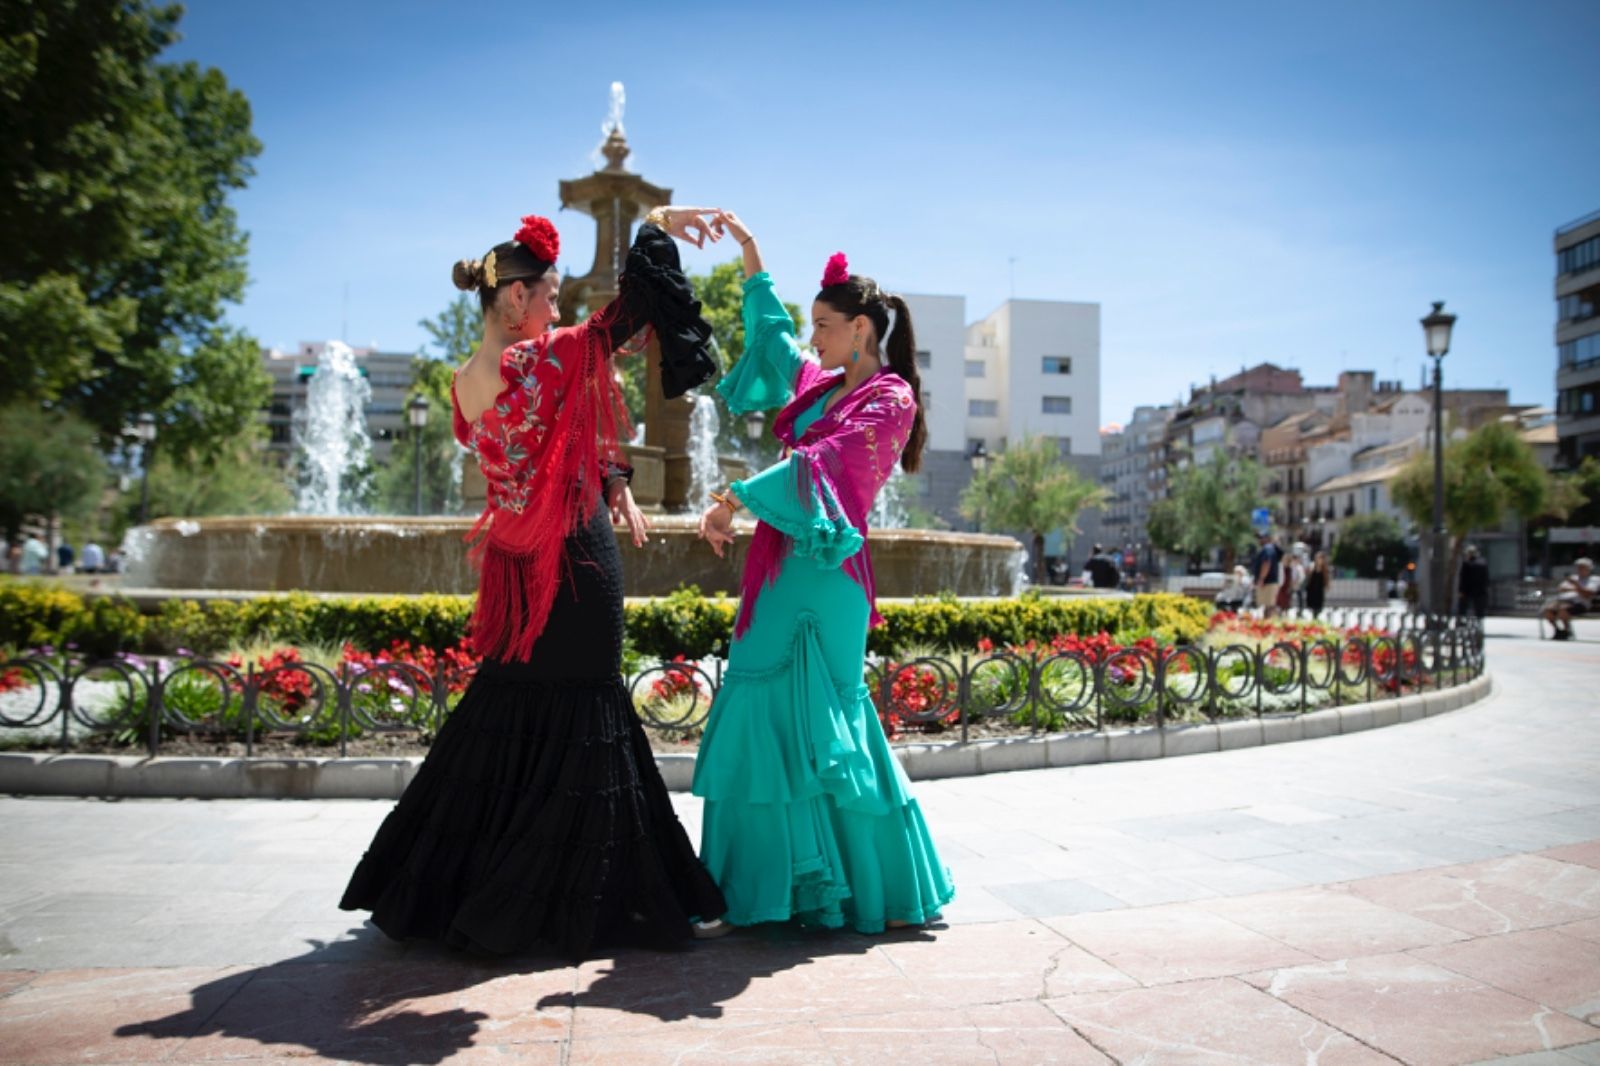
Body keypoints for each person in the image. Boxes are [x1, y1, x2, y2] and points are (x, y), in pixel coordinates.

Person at [341, 208, 728, 957]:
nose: (557, 308)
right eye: (548, 294)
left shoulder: (464, 383)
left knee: (511, 705)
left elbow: (549, 434)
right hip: (574, 560)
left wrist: (611, 474)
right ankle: (601, 901)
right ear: (515, 298)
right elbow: (626, 318)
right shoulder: (535, 359)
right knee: (590, 711)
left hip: (516, 570)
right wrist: (651, 222)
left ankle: (457, 886)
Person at [692, 210, 954, 933]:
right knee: (758, 715)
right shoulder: (820, 385)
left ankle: (858, 892)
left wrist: (733, 498)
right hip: (782, 574)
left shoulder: (888, 397)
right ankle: (764, 893)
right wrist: (749, 253)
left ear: (862, 330)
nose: (816, 337)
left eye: (827, 326)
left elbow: (825, 466)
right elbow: (774, 338)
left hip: (828, 579)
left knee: (828, 730)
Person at [1541, 557, 1599, 641]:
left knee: (1563, 610)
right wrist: (1576, 588)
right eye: (1578, 567)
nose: (1580, 569)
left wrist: (1576, 586)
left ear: (1589, 568)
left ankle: (1566, 630)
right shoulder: (1573, 578)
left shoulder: (1594, 580)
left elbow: (1588, 593)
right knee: (1548, 610)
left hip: (1580, 603)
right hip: (1563, 600)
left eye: (1582, 567)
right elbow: (1561, 588)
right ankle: (1558, 631)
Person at [1252, 531, 1284, 618]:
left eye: (1261, 538)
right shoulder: (1271, 548)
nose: (1259, 540)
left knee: (1268, 606)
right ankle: (1269, 624)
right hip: (1271, 581)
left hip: (1267, 582)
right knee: (1269, 606)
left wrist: (1261, 579)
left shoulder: (1267, 548)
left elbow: (1266, 563)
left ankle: (1269, 625)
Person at [1458, 545, 1489, 620]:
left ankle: (1462, 620)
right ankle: (1479, 622)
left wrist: (1461, 590)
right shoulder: (1483, 563)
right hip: (1480, 591)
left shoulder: (1466, 564)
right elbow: (1486, 578)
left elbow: (1463, 578)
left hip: (1468, 590)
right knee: (1479, 610)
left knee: (1463, 607)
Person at [1306, 550, 1330, 618]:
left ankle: (1315, 617)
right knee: (1312, 607)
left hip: (1319, 591)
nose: (1319, 560)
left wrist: (1327, 586)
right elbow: (1308, 578)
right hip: (1312, 590)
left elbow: (1327, 580)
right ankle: (1314, 618)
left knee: (1318, 608)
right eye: (1318, 558)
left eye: (1321, 558)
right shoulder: (1312, 567)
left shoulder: (1325, 569)